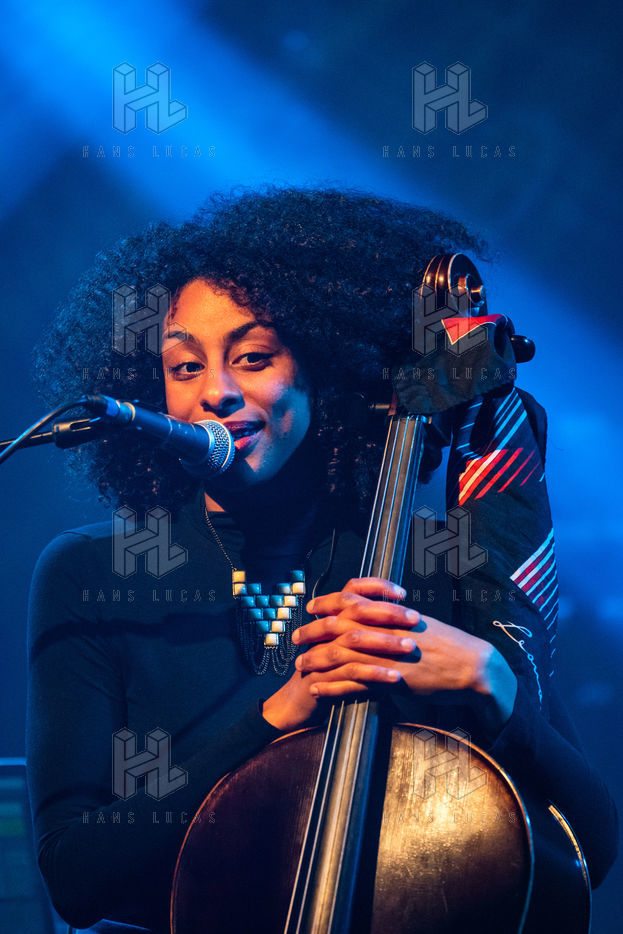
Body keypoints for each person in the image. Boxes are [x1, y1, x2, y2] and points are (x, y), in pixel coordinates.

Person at [26, 187, 617, 934]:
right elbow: (75, 877)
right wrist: (276, 716)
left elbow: (590, 847)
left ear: (323, 372)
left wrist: (492, 682)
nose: (216, 392)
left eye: (253, 358)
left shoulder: (428, 563)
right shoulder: (91, 573)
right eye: (183, 367)